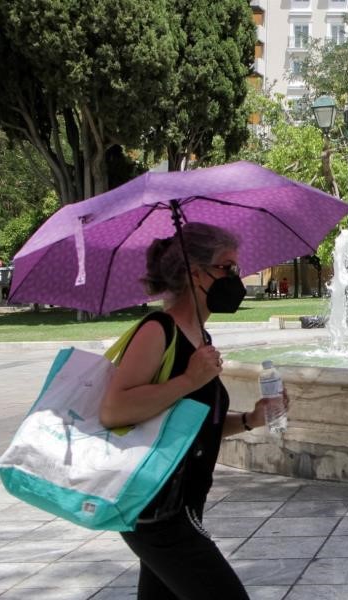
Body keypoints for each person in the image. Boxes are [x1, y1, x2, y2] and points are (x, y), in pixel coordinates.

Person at [100, 222, 279, 599]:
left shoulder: (200, 337)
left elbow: (194, 426)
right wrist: (188, 380)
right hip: (156, 511)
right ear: (195, 272)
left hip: (182, 505)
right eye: (227, 268)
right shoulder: (158, 330)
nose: (236, 278)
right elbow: (114, 410)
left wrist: (250, 420)